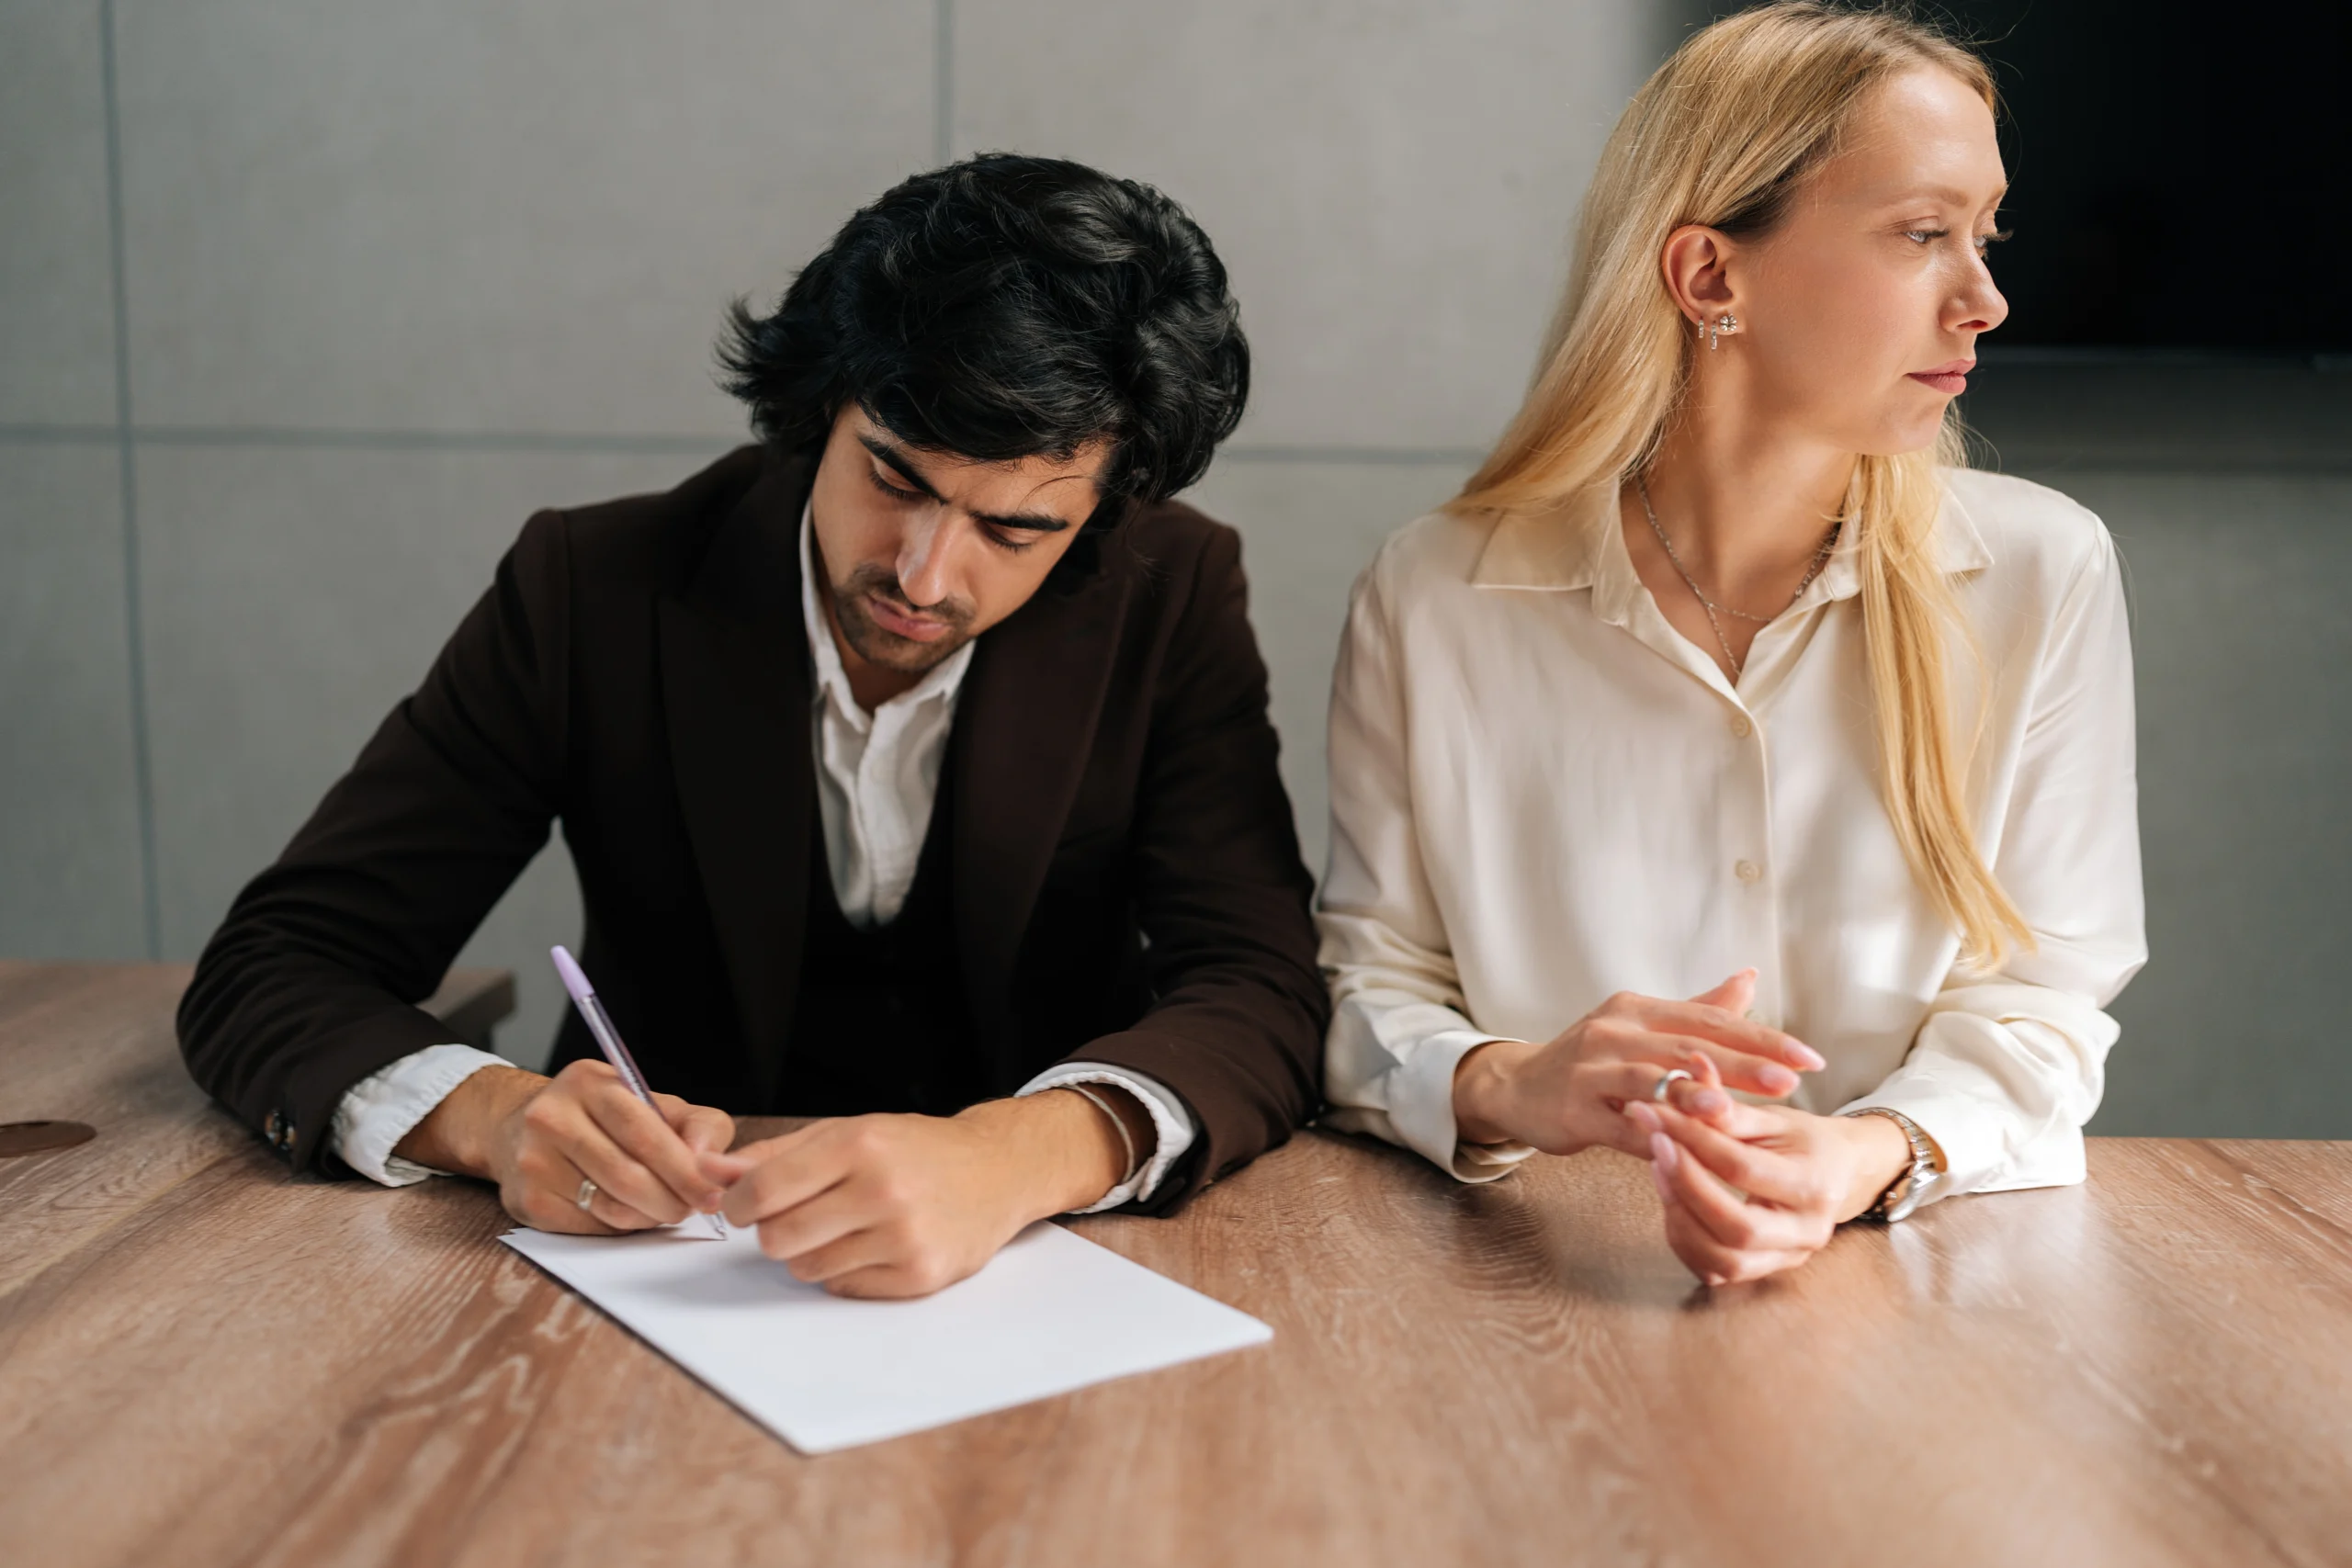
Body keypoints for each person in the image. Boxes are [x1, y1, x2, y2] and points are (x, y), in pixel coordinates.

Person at [178, 154, 1328, 1299]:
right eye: (894, 476)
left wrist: (1014, 1157)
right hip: (653, 1277)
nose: (925, 577)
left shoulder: (1168, 596)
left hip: (1044, 1273)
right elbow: (276, 963)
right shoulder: (589, 591)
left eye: (1013, 530)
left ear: (1100, 513)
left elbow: (1261, 986)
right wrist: (491, 1118)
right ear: (821, 405)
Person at [1317, 3, 2144, 1286]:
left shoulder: (2046, 572)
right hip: (1523, 1289)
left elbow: (2045, 999)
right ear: (1711, 276)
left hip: (1928, 1278)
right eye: (1925, 234)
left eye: (1985, 235)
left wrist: (1858, 1155)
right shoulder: (1436, 593)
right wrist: (1510, 1083)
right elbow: (1367, 987)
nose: (1985, 298)